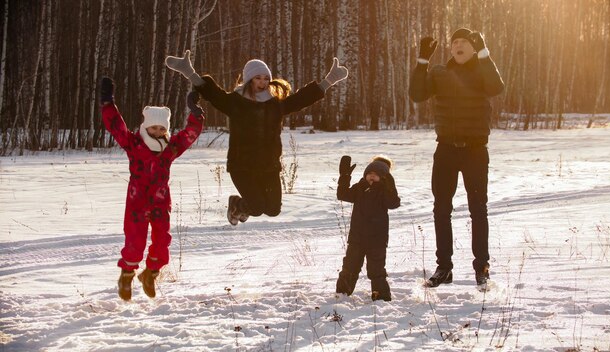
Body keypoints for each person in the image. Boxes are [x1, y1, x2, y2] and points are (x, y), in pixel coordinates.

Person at [165, 51, 348, 226]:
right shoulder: (235, 102)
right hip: (242, 166)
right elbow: (212, 93)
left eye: (266, 78)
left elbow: (300, 100)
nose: (262, 82)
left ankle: (241, 205)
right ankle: (237, 204)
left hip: (269, 166)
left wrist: (329, 80)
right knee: (258, 208)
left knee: (274, 209)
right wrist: (189, 72)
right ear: (248, 79)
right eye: (258, 78)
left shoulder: (275, 105)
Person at [408, 28, 505, 288]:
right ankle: (444, 268)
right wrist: (422, 61)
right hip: (446, 151)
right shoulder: (439, 73)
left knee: (478, 209)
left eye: (464, 42)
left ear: (473, 48)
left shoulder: (482, 71)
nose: (458, 46)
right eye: (454, 43)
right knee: (441, 208)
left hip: (474, 151)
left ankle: (481, 267)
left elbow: (496, 87)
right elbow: (417, 95)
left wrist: (485, 54)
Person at [100, 77, 206, 300]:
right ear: (145, 126)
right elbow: (116, 126)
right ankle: (127, 276)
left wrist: (196, 114)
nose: (158, 131)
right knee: (135, 242)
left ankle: (150, 274)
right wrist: (107, 103)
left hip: (160, 203)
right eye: (153, 127)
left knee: (162, 243)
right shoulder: (134, 144)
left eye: (162, 128)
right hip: (137, 203)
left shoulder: (169, 149)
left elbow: (189, 135)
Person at [335, 155, 401, 301]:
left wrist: (391, 187)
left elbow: (394, 203)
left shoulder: (384, 192)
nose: (372, 177)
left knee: (376, 271)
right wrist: (344, 176)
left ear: (383, 178)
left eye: (376, 175)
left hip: (377, 241)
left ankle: (381, 297)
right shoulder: (360, 188)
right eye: (369, 173)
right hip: (357, 238)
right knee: (350, 267)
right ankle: (341, 294)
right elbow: (342, 194)